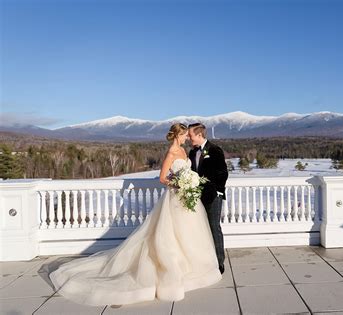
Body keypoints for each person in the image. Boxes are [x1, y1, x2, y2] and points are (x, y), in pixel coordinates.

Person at [48, 123, 221, 306]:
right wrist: (179, 184)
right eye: (185, 134)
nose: (187, 137)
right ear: (178, 135)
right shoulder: (172, 152)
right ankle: (174, 270)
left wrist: (188, 183)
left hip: (185, 199)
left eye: (188, 135)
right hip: (174, 198)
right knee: (170, 236)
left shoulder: (184, 151)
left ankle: (192, 268)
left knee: (188, 234)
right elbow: (163, 178)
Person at [188, 123, 228, 274]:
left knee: (214, 228)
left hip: (213, 196)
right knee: (199, 229)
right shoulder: (192, 152)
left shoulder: (214, 150)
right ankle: (204, 259)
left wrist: (216, 191)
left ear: (199, 135)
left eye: (190, 135)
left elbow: (223, 174)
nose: (189, 138)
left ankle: (219, 263)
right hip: (196, 197)